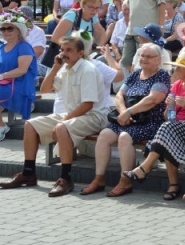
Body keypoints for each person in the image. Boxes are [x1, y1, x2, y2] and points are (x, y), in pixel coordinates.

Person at [0, 37, 107, 197]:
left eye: (69, 50)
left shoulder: (88, 70)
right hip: (73, 114)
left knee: (61, 127)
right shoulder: (64, 68)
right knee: (30, 125)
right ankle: (28, 173)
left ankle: (66, 179)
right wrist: (56, 67)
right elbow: (44, 89)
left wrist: (65, 121)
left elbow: (88, 105)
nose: (64, 53)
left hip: (93, 116)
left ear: (80, 53)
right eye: (62, 50)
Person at [124, 51, 185, 201]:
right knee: (167, 130)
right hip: (176, 127)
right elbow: (167, 117)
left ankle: (145, 169)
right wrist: (169, 108)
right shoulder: (178, 85)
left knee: (166, 130)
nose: (175, 71)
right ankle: (169, 184)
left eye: (178, 68)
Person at [83, 43, 170, 197]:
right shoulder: (135, 74)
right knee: (104, 135)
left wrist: (127, 112)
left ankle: (125, 180)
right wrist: (123, 112)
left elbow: (153, 99)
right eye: (142, 55)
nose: (144, 59)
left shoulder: (162, 76)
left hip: (149, 121)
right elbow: (119, 95)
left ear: (158, 59)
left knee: (124, 137)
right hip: (127, 119)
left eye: (149, 56)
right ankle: (99, 178)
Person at [122, 0, 165, 71]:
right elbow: (131, 7)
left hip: (146, 32)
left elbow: (161, 4)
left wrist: (160, 25)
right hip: (131, 30)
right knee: (126, 60)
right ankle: (133, 83)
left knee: (143, 61)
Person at [0, 11, 37, 140]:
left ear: (18, 30)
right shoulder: (1, 47)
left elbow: (22, 70)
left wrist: (2, 76)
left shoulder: (24, 47)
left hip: (20, 83)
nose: (6, 31)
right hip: (4, 82)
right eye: (3, 28)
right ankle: (1, 125)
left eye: (10, 28)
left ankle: (1, 127)